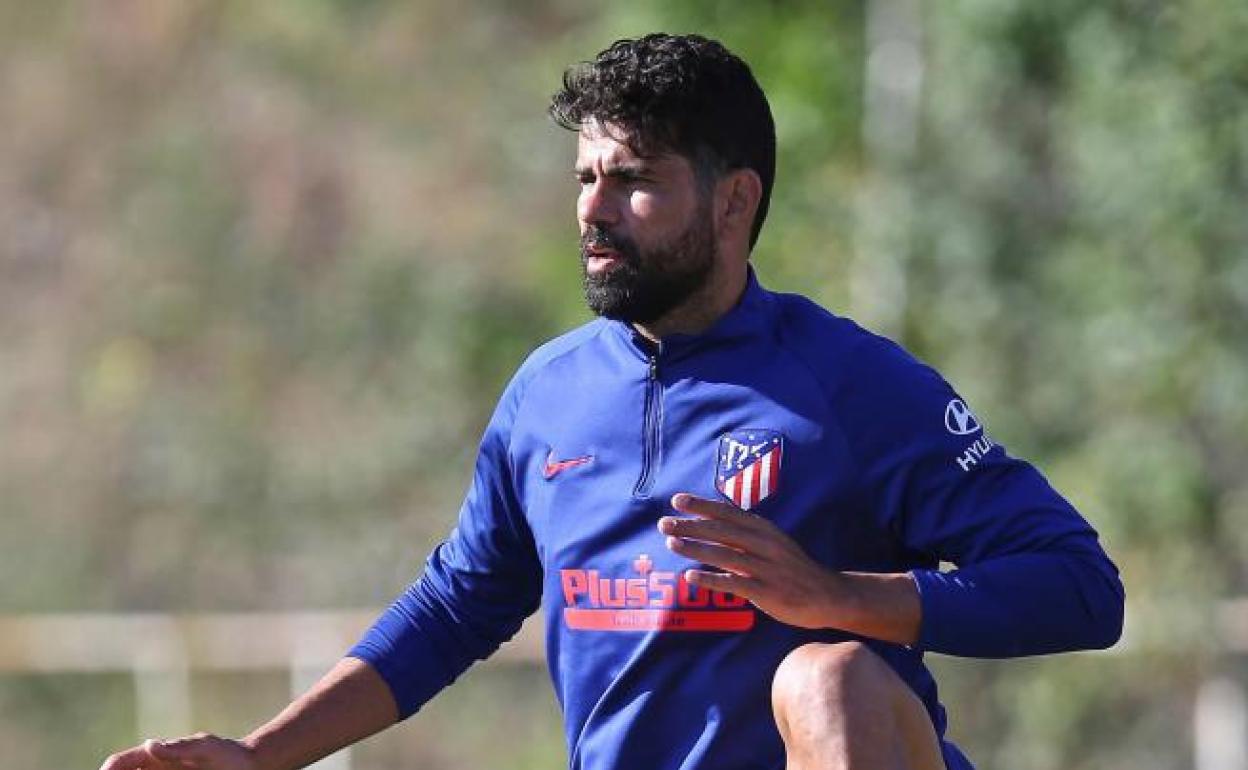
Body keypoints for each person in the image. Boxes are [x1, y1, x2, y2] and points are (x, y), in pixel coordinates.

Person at [100, 33, 1124, 770]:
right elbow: (458, 603)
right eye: (586, 175)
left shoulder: (851, 386)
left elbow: (1081, 587)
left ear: (735, 200)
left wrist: (836, 595)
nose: (593, 207)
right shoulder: (549, 394)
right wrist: (261, 752)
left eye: (633, 179)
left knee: (832, 677)